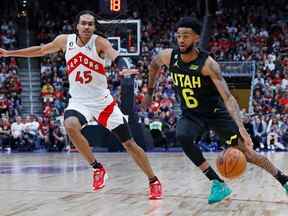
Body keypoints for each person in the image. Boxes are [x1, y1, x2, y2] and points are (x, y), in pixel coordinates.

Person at [0, 10, 162, 199]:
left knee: (129, 144)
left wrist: (124, 68)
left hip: (103, 102)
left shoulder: (99, 42)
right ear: (76, 25)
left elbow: (115, 54)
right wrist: (10, 53)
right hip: (79, 102)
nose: (86, 27)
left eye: (90, 24)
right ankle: (97, 167)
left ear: (94, 27)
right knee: (70, 125)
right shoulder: (64, 41)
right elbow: (40, 50)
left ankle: (153, 180)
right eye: (83, 23)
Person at [143, 16, 288, 204]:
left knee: (248, 154)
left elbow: (228, 97)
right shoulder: (168, 56)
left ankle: (284, 180)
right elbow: (154, 65)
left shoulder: (208, 64)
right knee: (183, 137)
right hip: (192, 114)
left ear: (196, 38)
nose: (181, 40)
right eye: (178, 36)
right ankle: (217, 183)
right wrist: (150, 91)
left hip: (215, 113)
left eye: (186, 36)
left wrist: (241, 127)